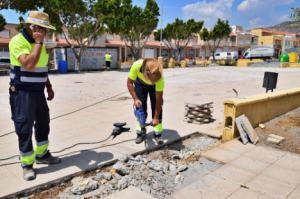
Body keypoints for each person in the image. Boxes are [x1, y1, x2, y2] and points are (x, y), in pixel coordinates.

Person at [9, 11, 61, 181]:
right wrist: (38, 42)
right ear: (33, 27)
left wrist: (49, 86)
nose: (45, 32)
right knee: (24, 127)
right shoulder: (18, 41)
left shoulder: (40, 44)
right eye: (43, 29)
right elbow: (30, 64)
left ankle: (42, 154)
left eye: (45, 29)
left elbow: (42, 69)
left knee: (43, 123)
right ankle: (27, 164)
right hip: (22, 91)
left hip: (38, 91)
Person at [127, 59, 164, 144]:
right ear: (146, 72)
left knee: (156, 106)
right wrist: (135, 99)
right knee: (140, 107)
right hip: (140, 83)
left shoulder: (160, 78)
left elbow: (159, 101)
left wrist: (156, 118)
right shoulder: (136, 66)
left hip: (155, 86)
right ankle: (141, 132)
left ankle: (157, 134)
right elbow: (129, 83)